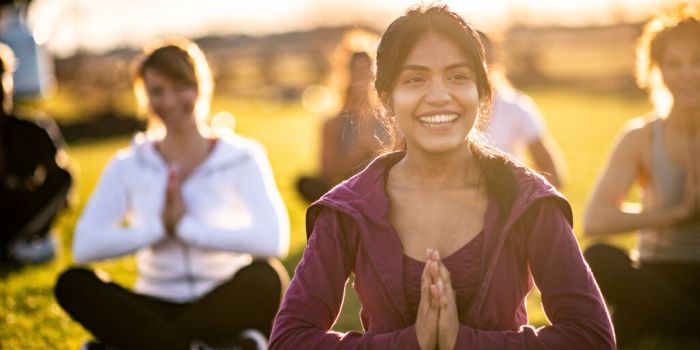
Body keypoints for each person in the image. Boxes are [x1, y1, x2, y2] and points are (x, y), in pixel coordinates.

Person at [270, 5, 614, 350]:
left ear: (482, 92)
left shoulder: (528, 200)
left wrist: (463, 341)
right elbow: (288, 341)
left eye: (457, 76)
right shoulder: (348, 208)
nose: (438, 96)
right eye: (415, 79)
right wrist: (410, 342)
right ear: (387, 99)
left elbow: (592, 337)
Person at [54, 38, 290, 350]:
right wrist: (159, 229)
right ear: (144, 97)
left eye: (181, 87)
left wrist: (188, 229)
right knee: (73, 284)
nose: (170, 100)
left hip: (221, 300)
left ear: (201, 87)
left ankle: (141, 344)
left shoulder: (242, 156)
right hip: (153, 302)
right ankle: (216, 345)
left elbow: (273, 239)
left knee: (266, 278)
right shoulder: (129, 164)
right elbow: (85, 246)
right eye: (157, 91)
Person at [583, 4, 700, 345]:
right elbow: (595, 219)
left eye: (697, 61)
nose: (688, 73)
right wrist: (677, 214)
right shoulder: (641, 137)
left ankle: (674, 320)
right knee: (598, 257)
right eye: (674, 64)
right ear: (656, 71)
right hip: (656, 271)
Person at [0, 42, 72, 264]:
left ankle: (17, 244)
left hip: (19, 214)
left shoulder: (34, 129)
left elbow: (62, 191)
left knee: (63, 177)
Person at [478, 31, 566, 189]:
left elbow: (553, 173)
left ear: (494, 60)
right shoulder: (442, 109)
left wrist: (519, 204)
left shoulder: (516, 106)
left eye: (482, 57)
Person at [296, 51, 384, 203]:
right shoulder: (334, 123)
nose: (362, 79)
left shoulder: (389, 120)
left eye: (367, 71)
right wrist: (359, 149)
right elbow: (328, 175)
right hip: (348, 193)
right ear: (345, 76)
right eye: (356, 71)